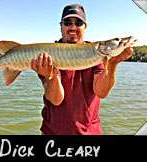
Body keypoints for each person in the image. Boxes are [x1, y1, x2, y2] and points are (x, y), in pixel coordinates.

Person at [31, 4, 133, 135]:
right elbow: (56, 99)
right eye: (68, 22)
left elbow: (101, 92)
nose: (73, 27)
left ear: (85, 27)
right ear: (61, 26)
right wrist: (50, 75)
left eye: (78, 23)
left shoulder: (97, 54)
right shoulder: (48, 55)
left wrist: (112, 65)